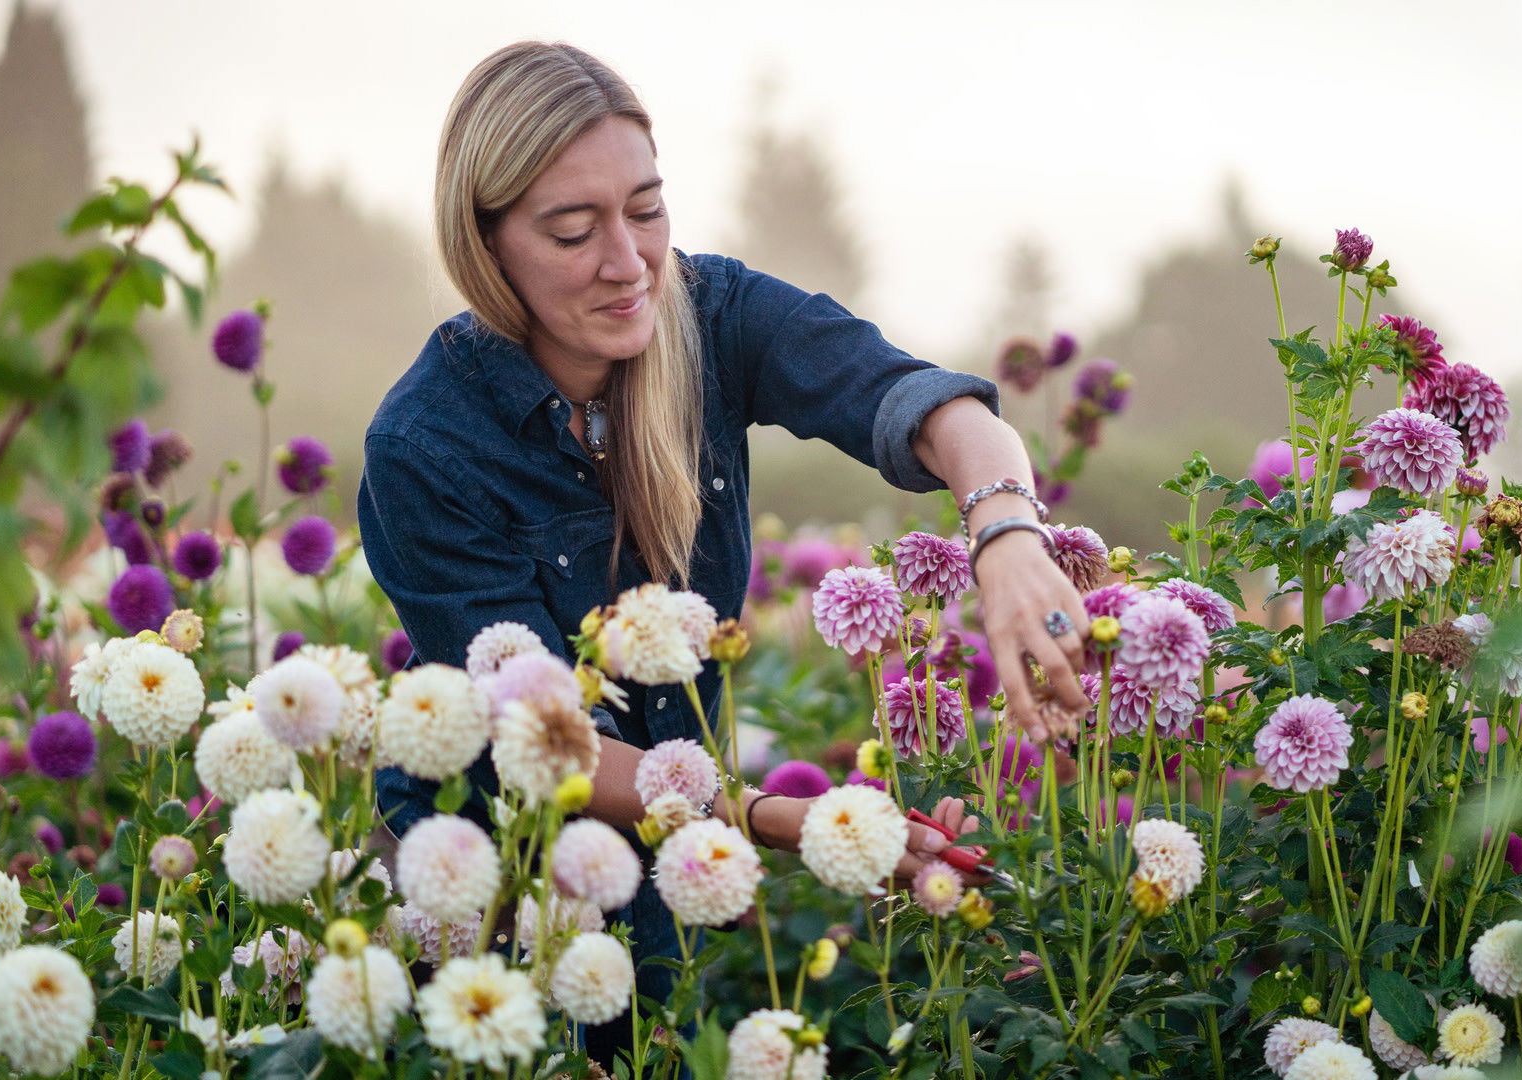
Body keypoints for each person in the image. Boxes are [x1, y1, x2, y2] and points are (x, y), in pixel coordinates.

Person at [356, 40, 1091, 1072]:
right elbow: (539, 745)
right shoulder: (424, 448)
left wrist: (1009, 534)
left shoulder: (714, 315)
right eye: (574, 230)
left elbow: (920, 401)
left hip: (664, 882)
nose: (630, 261)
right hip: (485, 905)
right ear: (488, 246)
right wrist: (777, 819)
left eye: (647, 210)